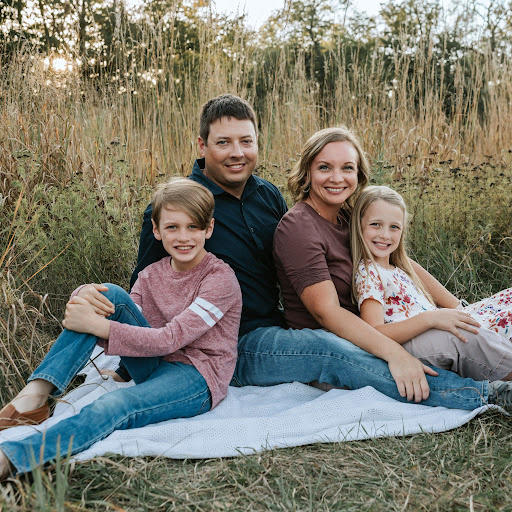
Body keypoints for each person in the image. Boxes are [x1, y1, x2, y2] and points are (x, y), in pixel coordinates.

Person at [112, 95, 511, 411]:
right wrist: (133, 362)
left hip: (275, 326)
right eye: (223, 143)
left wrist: (454, 307)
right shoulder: (180, 208)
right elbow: (146, 287)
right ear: (202, 145)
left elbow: (304, 265)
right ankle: (483, 394)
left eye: (246, 141)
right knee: (328, 349)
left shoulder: (267, 195)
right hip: (229, 340)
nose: (237, 152)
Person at [0, 179, 242, 478]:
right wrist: (82, 296)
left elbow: (169, 339)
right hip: (153, 364)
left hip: (196, 376)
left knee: (113, 404)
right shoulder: (150, 275)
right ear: (156, 230)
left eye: (193, 227)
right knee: (109, 293)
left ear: (209, 228)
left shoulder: (219, 279)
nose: (183, 237)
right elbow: (124, 317)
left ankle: (13, 457)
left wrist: (98, 326)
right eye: (172, 227)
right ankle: (35, 395)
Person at [271, 123, 512, 406]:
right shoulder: (299, 227)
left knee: (495, 309)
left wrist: (459, 308)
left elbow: (399, 261)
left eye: (347, 168)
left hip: (391, 329)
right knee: (463, 337)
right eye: (324, 167)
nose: (337, 178)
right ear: (307, 172)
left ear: (359, 174)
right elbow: (327, 314)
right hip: (351, 349)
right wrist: (397, 352)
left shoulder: (348, 217)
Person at [351, 185, 512, 380]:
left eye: (394, 227)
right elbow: (374, 333)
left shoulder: (398, 268)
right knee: (474, 334)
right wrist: (431, 319)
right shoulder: (369, 272)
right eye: (375, 224)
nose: (385, 235)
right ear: (359, 226)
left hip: (435, 322)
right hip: (416, 339)